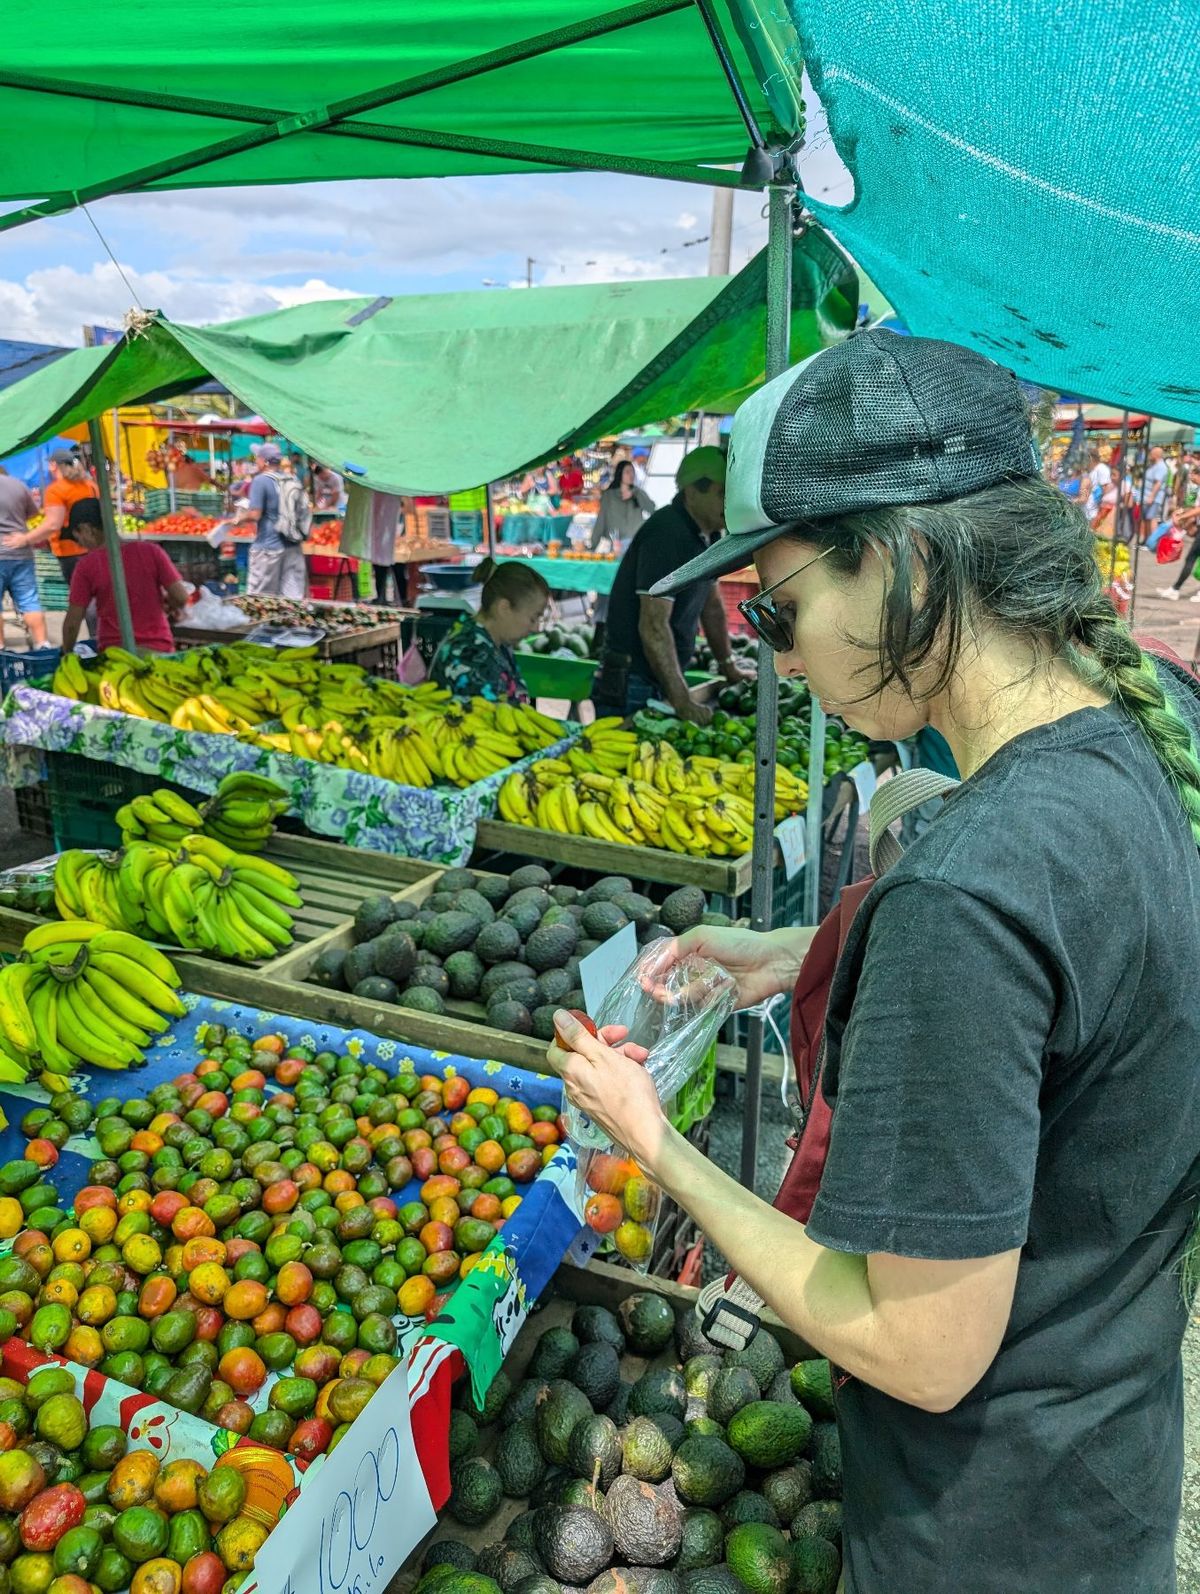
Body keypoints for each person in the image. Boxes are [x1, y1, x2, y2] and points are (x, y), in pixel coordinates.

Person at [547, 331, 1200, 1593]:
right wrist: (797, 951)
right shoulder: (1142, 727)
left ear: (899, 561)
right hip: (1100, 1475)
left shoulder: (968, 886)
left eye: (776, 607)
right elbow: (1077, 998)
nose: (778, 655)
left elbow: (920, 1343)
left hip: (980, 1532)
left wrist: (656, 1142)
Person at [593, 446, 747, 724]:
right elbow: (653, 625)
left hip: (659, 674)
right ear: (691, 492)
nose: (728, 502)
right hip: (634, 680)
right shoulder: (667, 535)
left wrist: (728, 666)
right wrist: (682, 700)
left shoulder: (708, 535)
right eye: (721, 493)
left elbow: (711, 607)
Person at [60, 500, 188, 655]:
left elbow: (73, 623)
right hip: (159, 651)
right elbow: (181, 596)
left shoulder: (87, 566)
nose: (81, 546)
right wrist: (169, 604)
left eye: (78, 539)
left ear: (87, 530)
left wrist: (66, 653)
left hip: (116, 655)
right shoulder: (152, 551)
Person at [430, 558, 548, 702]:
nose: (535, 628)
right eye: (533, 618)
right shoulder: (470, 655)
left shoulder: (496, 640)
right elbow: (489, 720)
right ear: (504, 608)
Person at [236, 443, 308, 598]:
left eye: (257, 458)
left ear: (263, 461)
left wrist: (238, 519)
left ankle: (264, 624)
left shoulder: (261, 481)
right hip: (293, 546)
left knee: (261, 599)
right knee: (292, 599)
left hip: (268, 549)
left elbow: (255, 514)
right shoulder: (292, 479)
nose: (256, 461)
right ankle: (293, 622)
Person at [31, 449, 97, 586]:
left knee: (79, 593)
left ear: (54, 465)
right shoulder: (91, 486)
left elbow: (53, 524)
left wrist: (27, 539)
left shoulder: (56, 490)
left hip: (69, 550)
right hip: (94, 547)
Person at [0, 467, 48, 645]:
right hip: (21, 552)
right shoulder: (18, 485)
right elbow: (34, 512)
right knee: (30, 602)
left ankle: (1, 650)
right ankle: (43, 645)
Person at [590, 461, 654, 554]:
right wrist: (593, 544)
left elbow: (651, 509)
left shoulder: (638, 492)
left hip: (635, 543)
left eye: (632, 471)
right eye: (627, 472)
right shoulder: (609, 495)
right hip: (615, 545)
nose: (631, 475)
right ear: (620, 473)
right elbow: (601, 519)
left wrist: (635, 494)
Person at [1141, 444, 1170, 542]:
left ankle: (1153, 542)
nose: (1149, 454)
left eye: (1151, 453)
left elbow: (1158, 483)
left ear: (1156, 455)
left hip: (1153, 498)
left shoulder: (1161, 467)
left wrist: (1151, 496)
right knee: (1146, 519)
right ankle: (1146, 540)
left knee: (1151, 518)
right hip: (1147, 496)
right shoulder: (1153, 465)